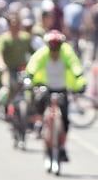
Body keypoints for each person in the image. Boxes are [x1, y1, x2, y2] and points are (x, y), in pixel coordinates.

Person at [26, 30, 86, 164]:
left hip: (62, 88)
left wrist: (80, 81)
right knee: (38, 101)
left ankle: (62, 145)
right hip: (46, 87)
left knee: (65, 119)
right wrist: (29, 77)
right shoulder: (43, 53)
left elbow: (75, 66)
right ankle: (39, 124)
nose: (54, 51)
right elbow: (34, 64)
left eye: (57, 47)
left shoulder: (67, 52)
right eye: (52, 47)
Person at [0, 13, 34, 109]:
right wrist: (0, 63)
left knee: (30, 86)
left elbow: (33, 52)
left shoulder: (25, 38)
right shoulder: (4, 39)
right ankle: (3, 105)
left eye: (17, 23)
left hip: (22, 69)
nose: (15, 26)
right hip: (8, 68)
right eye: (13, 23)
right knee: (8, 87)